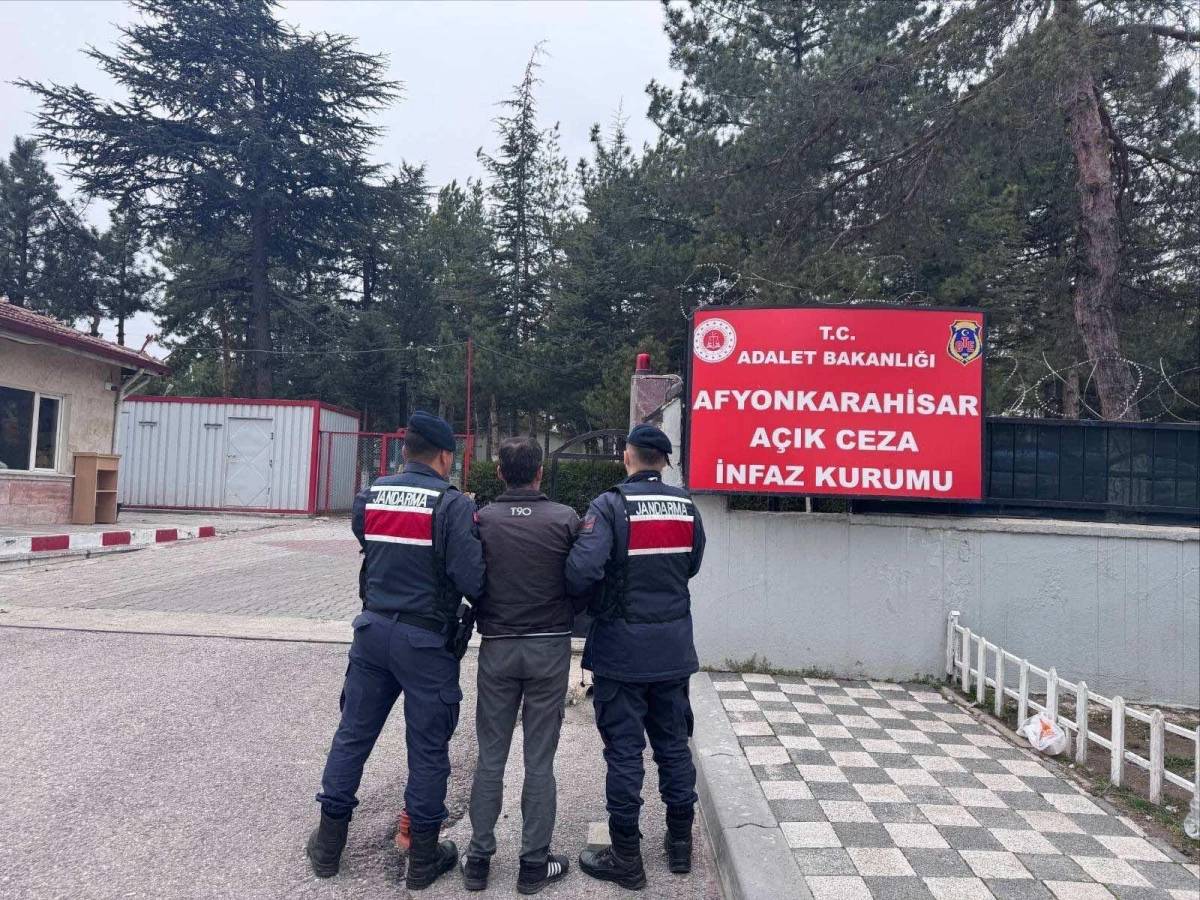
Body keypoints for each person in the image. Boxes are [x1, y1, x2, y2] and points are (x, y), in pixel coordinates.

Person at [306, 411, 485, 891]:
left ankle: (328, 847)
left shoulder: (372, 495)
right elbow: (472, 579)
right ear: (445, 456)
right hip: (426, 642)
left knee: (352, 736)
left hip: (372, 631)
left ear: (405, 451)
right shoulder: (450, 504)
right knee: (427, 750)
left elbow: (367, 539)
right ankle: (423, 859)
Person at [565, 423, 706, 889]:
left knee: (625, 752)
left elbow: (582, 569)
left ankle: (626, 857)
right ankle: (680, 846)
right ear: (664, 461)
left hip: (621, 654)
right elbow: (692, 564)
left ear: (627, 456)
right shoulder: (686, 506)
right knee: (673, 746)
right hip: (673, 650)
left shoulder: (610, 506)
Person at [461, 436, 582, 895]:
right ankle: (533, 864)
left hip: (497, 645)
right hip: (549, 646)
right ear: (540, 472)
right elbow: (582, 576)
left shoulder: (482, 519)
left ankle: (478, 859)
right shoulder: (566, 518)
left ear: (499, 473)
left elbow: (470, 576)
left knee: (491, 755)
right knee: (539, 759)